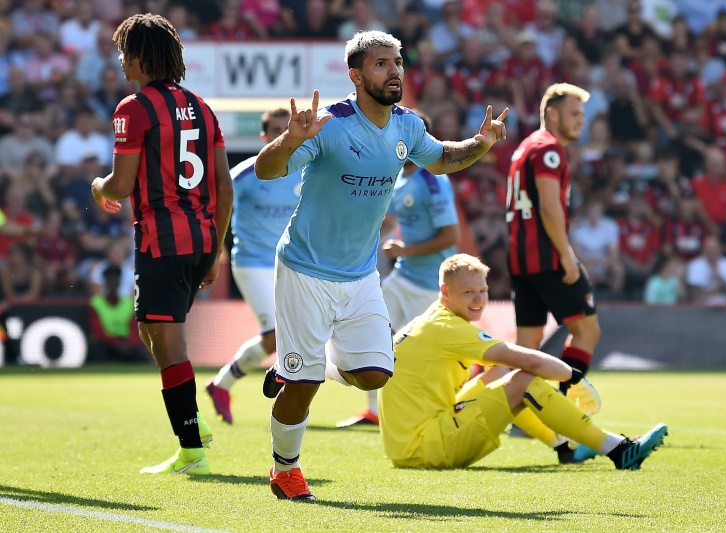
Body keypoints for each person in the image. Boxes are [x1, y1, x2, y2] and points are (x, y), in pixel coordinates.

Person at [254, 30, 508, 501]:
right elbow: (266, 171)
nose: (394, 71)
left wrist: (481, 142)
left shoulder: (407, 125)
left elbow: (443, 158)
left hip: (360, 273)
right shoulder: (328, 123)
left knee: (375, 374)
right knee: (306, 383)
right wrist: (289, 141)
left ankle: (293, 368)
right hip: (304, 269)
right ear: (356, 75)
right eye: (381, 64)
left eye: (397, 63)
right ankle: (284, 469)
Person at [90, 14, 233, 475]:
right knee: (153, 329)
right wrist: (214, 252)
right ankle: (194, 424)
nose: (119, 60)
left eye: (123, 51)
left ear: (140, 57)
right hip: (201, 238)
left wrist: (98, 186)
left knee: (167, 343)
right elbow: (225, 187)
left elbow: (121, 184)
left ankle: (192, 450)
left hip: (162, 240)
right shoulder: (202, 107)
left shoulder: (132, 109)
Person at [378, 253, 668, 469]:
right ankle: (618, 450)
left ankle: (565, 446)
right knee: (524, 379)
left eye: (483, 291)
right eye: (469, 292)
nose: (478, 299)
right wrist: (574, 377)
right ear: (445, 293)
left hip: (410, 445)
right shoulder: (447, 328)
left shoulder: (433, 319)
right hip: (426, 446)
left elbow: (503, 368)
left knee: (503, 377)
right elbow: (530, 361)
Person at [337, 110, 460, 428]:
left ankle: (459, 400)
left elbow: (451, 236)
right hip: (403, 276)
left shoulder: (434, 180)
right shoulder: (399, 176)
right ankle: (375, 412)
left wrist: (406, 248)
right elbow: (390, 220)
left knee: (434, 353)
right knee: (370, 330)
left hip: (431, 285)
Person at [505, 83, 602, 411]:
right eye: (575, 114)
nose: (581, 121)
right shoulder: (549, 148)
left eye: (583, 115)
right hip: (547, 259)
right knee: (587, 330)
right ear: (552, 113)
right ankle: (560, 410)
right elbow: (549, 207)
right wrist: (567, 256)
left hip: (521, 261)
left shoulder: (524, 147)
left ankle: (513, 414)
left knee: (527, 347)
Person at [205, 108, 302, 424]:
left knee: (283, 337)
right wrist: (213, 253)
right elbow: (216, 207)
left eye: (284, 129)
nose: (279, 135)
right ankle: (279, 384)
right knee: (275, 336)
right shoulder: (246, 174)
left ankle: (221, 385)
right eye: (274, 130)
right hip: (252, 263)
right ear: (263, 137)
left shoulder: (304, 171)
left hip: (290, 264)